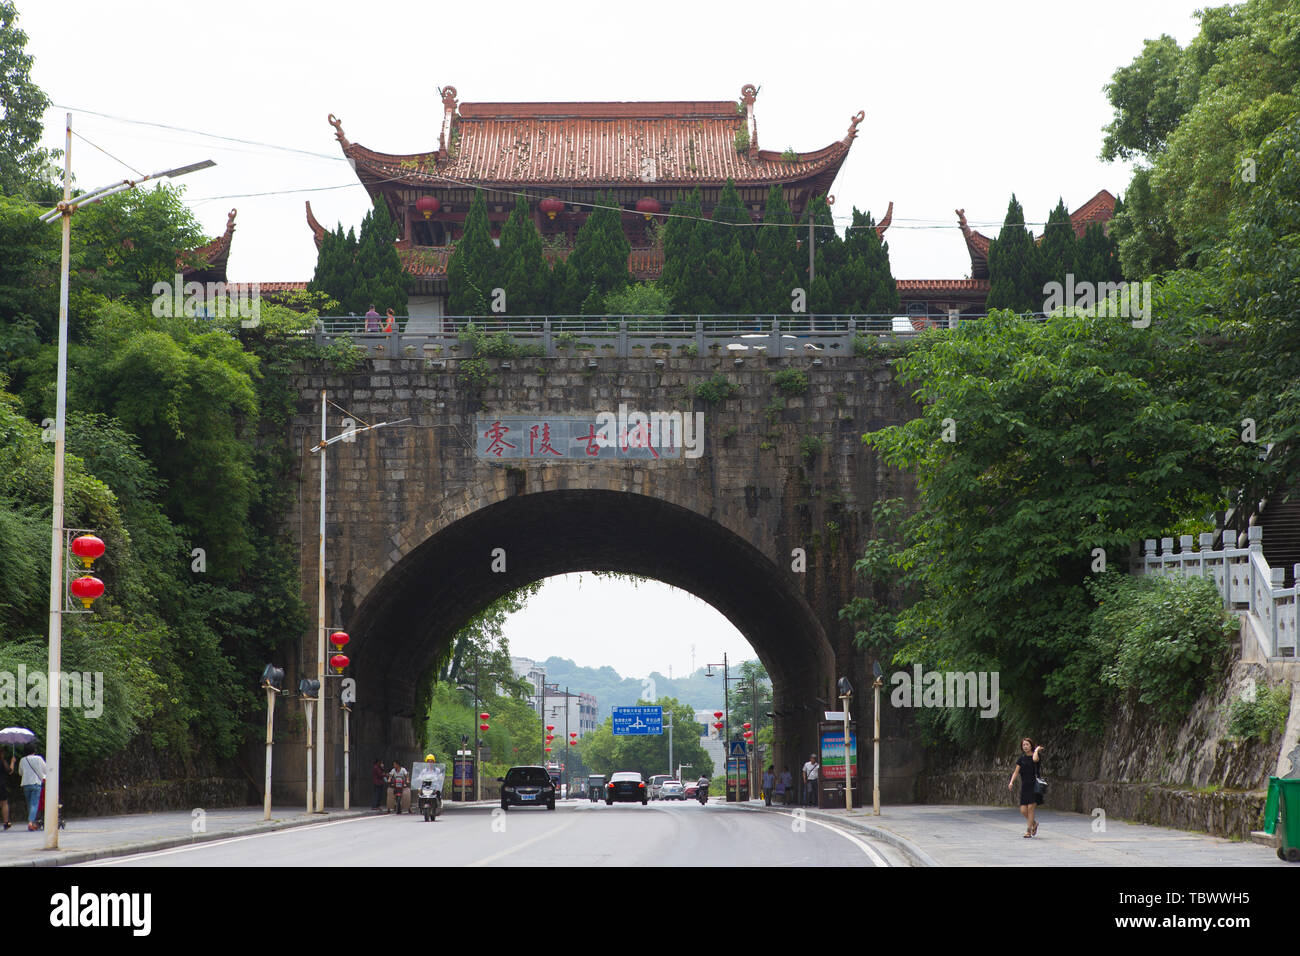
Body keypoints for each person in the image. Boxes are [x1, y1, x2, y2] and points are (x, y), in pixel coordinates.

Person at [1008, 737, 1045, 837]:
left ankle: (1028, 831)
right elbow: (1016, 772)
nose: (1025, 746)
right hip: (1025, 786)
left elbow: (1034, 759)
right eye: (1023, 745)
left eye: (1027, 744)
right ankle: (1034, 823)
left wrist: (1036, 750)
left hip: (1034, 786)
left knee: (1030, 809)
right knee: (1023, 810)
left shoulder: (1036, 755)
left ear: (1031, 745)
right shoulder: (1021, 759)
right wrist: (1011, 782)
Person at [18, 743, 45, 830]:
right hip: (36, 783)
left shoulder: (22, 760)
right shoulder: (38, 758)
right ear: (34, 750)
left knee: (30, 804)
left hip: (25, 784)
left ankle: (33, 822)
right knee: (34, 804)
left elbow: (20, 773)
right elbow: (45, 769)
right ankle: (31, 822)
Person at [0, 752, 13, 830]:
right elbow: (10, 771)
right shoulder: (2, 761)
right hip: (1, 784)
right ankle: (6, 823)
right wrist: (12, 762)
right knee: (4, 803)